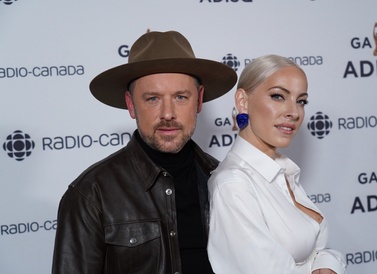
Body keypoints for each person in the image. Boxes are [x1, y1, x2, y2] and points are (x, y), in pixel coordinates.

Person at [52, 30, 237, 274]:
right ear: (131, 104)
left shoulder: (223, 180)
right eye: (152, 99)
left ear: (199, 100)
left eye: (181, 97)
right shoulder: (91, 194)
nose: (168, 114)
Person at [207, 54, 347, 274]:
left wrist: (328, 262)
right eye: (278, 96)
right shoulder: (233, 185)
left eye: (301, 101)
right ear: (242, 101)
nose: (294, 112)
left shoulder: (282, 172)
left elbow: (315, 251)